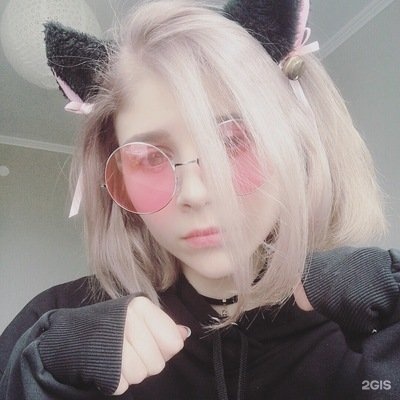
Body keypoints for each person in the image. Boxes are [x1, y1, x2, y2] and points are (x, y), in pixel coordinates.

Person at [1, 1, 399, 399]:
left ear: (297, 144)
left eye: (233, 142)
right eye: (148, 158)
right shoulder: (49, 330)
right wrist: (40, 376)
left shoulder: (371, 326)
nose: (195, 193)